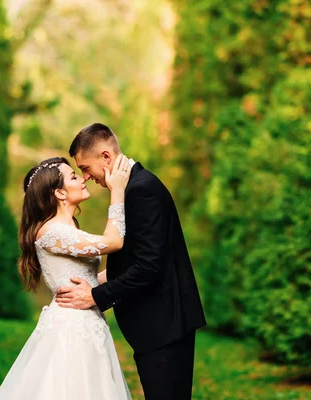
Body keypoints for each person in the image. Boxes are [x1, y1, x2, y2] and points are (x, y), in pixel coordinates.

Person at [55, 123, 207, 400]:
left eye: (86, 168)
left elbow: (149, 266)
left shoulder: (141, 190)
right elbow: (133, 259)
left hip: (164, 325)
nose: (86, 177)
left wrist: (96, 296)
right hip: (160, 326)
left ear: (106, 157)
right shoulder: (134, 187)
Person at [0, 156, 132, 400]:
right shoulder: (52, 232)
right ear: (59, 193)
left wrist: (133, 269)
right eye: (74, 176)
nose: (83, 178)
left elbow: (86, 280)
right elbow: (114, 241)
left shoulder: (67, 231)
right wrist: (117, 191)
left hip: (87, 321)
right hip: (72, 329)